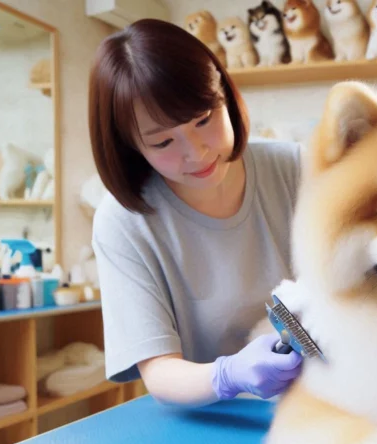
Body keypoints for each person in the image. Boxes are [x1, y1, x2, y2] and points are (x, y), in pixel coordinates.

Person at [87, 19, 303, 408]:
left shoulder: (295, 169)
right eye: (163, 140)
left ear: (226, 94)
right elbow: (160, 371)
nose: (198, 152)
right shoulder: (124, 222)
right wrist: (229, 374)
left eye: (205, 119)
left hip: (321, 398)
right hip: (212, 416)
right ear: (132, 147)